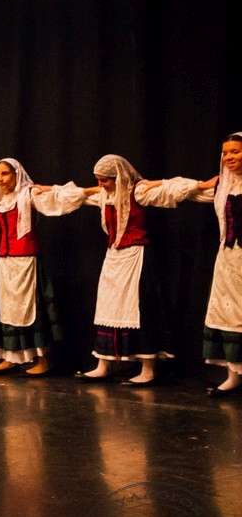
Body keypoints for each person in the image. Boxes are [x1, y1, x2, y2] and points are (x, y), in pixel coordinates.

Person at [37, 156, 210, 384]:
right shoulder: (105, 195)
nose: (101, 184)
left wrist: (202, 185)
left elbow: (171, 190)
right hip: (114, 257)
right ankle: (104, 363)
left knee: (138, 310)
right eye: (98, 180)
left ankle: (148, 368)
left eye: (105, 180)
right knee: (108, 307)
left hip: (136, 255)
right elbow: (79, 194)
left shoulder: (139, 192)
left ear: (118, 177)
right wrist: (50, 189)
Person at [0, 158, 84, 376]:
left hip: (26, 261)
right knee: (8, 310)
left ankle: (43, 360)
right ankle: (10, 357)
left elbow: (60, 200)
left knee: (31, 309)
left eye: (5, 174)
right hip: (5, 261)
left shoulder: (28, 194)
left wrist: (64, 189)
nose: (0, 179)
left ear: (16, 174)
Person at [202, 131, 242, 397]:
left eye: (235, 152)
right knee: (230, 314)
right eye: (225, 152)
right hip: (229, 258)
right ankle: (233, 375)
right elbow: (188, 189)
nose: (229, 157)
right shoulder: (223, 186)